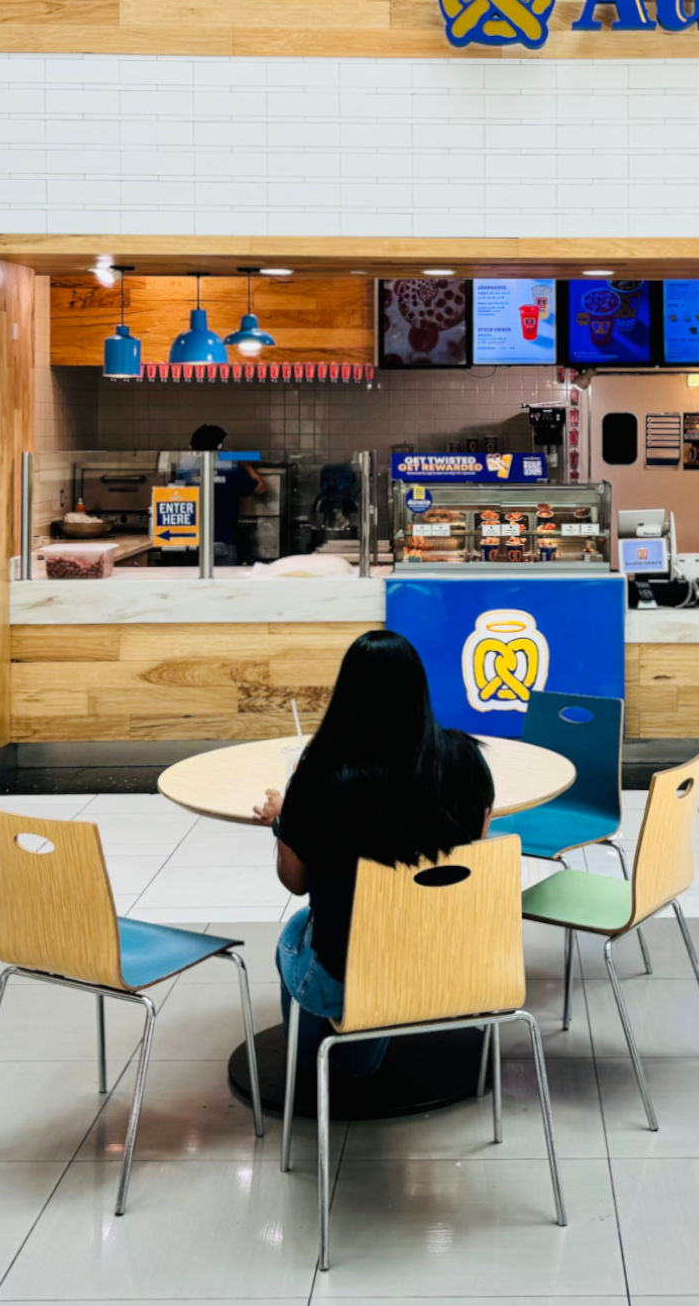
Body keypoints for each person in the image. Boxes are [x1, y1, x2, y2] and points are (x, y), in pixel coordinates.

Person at [252, 630, 495, 1076]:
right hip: (455, 962)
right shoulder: (465, 760)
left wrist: (283, 821)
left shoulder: (319, 777)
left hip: (354, 973)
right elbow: (472, 854)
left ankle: (316, 1068)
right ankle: (371, 1042)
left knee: (294, 930)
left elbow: (296, 882)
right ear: (419, 689)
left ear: (346, 696)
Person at [178, 423, 261, 565]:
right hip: (225, 543)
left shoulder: (185, 473)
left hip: (191, 544)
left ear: (192, 449)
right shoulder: (231, 470)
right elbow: (260, 488)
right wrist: (245, 465)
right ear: (220, 447)